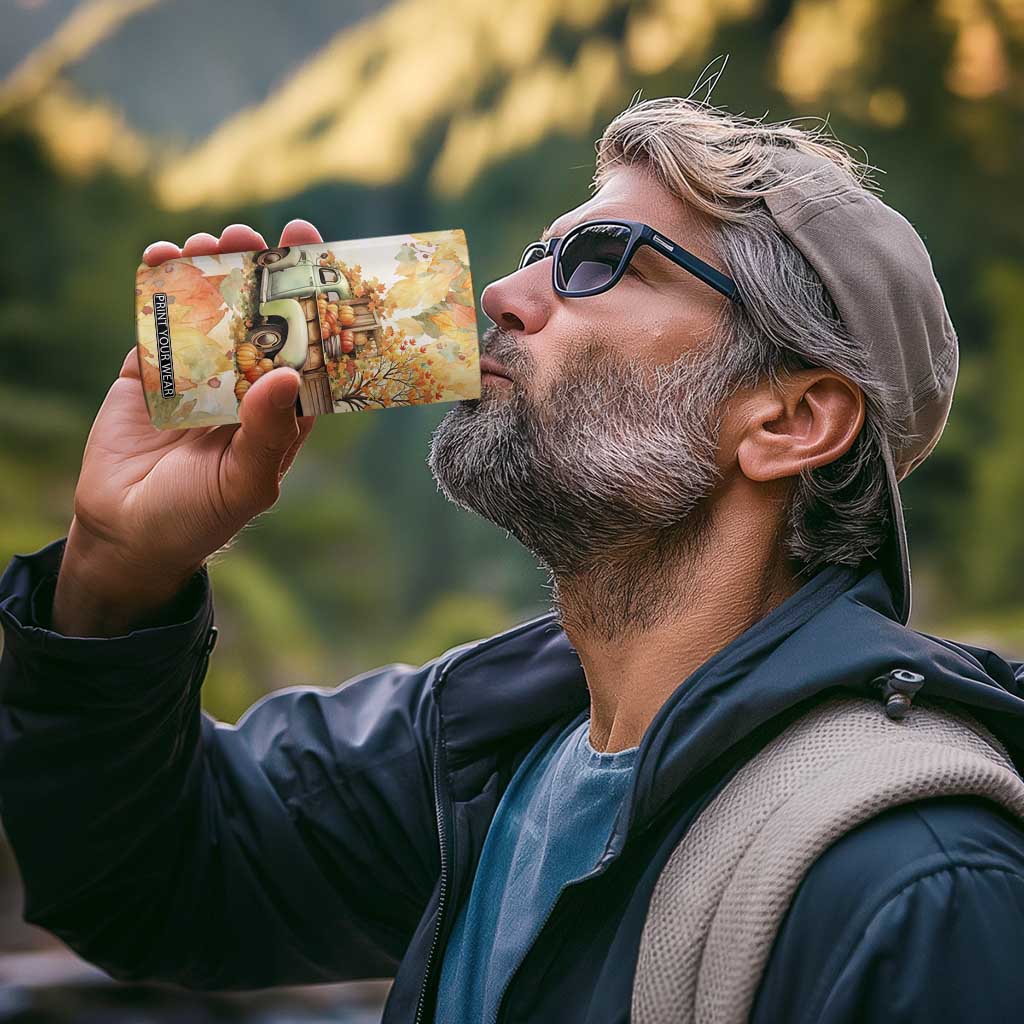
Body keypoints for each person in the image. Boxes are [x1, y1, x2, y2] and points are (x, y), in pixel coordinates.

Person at [2, 93, 1024, 1024]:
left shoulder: (918, 884)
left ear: (791, 419)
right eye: (540, 252)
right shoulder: (480, 749)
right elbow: (148, 879)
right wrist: (116, 570)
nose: (500, 292)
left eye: (600, 261)